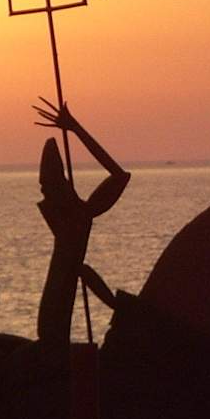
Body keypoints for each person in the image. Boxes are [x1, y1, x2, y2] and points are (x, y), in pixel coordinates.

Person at [33, 98, 129, 347]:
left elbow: (119, 175)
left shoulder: (79, 217)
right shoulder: (68, 221)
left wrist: (76, 128)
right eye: (45, 189)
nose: (46, 196)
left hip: (54, 315)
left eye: (51, 187)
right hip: (52, 314)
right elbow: (83, 271)